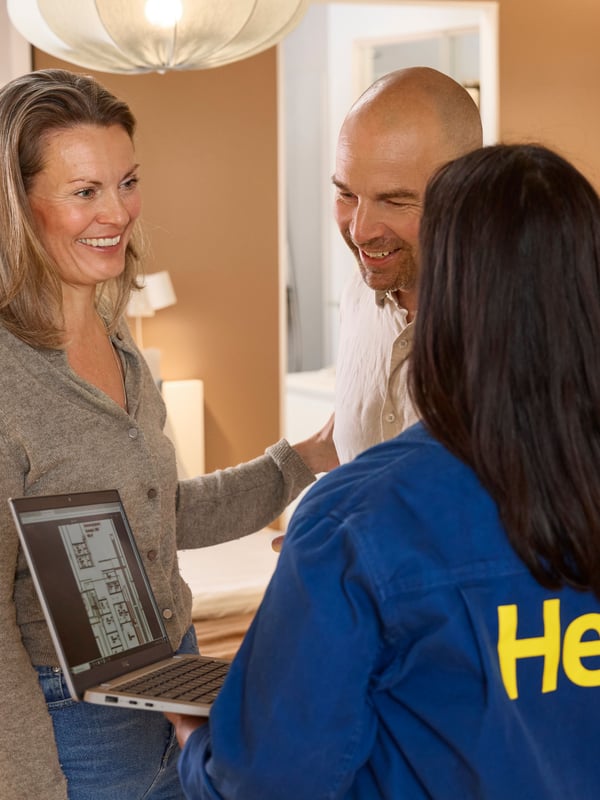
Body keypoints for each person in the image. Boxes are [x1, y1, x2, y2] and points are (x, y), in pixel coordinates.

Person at [167, 142, 600, 799]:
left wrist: (198, 745)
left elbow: (263, 784)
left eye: (397, 202)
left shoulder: (356, 520)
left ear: (444, 301)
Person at [0, 68, 336, 800]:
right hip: (73, 725)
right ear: (19, 205)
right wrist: (30, 788)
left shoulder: (117, 341)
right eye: (84, 191)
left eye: (127, 181)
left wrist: (303, 460)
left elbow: (163, 514)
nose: (117, 212)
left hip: (169, 683)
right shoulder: (8, 379)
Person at [332, 66, 483, 463]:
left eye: (395, 201)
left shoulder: (522, 318)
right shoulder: (356, 296)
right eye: (346, 194)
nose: (360, 231)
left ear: (463, 193)